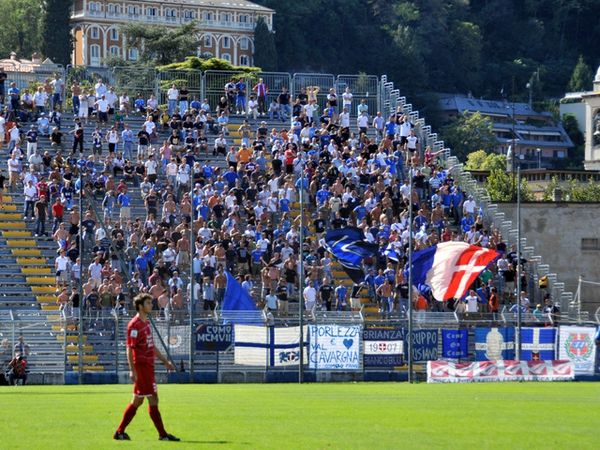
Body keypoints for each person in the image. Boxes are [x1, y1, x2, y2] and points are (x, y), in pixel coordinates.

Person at [114, 293, 179, 441]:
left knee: (138, 400)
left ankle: (120, 432)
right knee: (152, 399)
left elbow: (152, 346)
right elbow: (130, 349)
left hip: (149, 367)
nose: (151, 305)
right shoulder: (134, 325)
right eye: (148, 303)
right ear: (140, 306)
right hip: (142, 367)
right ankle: (162, 435)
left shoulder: (146, 323)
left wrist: (164, 361)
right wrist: (132, 369)